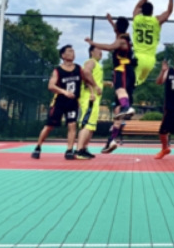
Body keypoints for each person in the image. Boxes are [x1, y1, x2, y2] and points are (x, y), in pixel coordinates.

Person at [31, 45, 96, 160]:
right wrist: (64, 92)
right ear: (63, 55)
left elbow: (87, 81)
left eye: (73, 51)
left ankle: (69, 150)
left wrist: (92, 92)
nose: (72, 53)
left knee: (72, 125)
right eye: (70, 51)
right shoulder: (58, 70)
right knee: (49, 126)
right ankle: (38, 147)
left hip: (72, 103)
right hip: (59, 102)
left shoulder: (78, 69)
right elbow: (51, 86)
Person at [85, 17, 136, 154]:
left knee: (120, 89)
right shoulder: (123, 38)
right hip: (128, 72)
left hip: (122, 70)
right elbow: (116, 31)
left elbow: (109, 47)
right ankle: (111, 140)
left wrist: (92, 43)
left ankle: (127, 106)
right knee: (118, 113)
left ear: (118, 28)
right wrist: (111, 21)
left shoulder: (121, 41)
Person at [132, 0, 174, 86]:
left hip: (138, 57)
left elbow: (138, 5)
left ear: (141, 11)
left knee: (129, 85)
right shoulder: (156, 21)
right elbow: (169, 11)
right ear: (152, 12)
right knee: (136, 84)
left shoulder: (137, 18)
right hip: (150, 60)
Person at [75, 45, 105, 160]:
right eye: (98, 50)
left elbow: (91, 77)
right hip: (89, 98)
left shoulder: (97, 65)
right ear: (91, 52)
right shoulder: (91, 62)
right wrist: (96, 86)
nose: (101, 52)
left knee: (91, 126)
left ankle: (84, 149)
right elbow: (86, 72)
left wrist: (105, 84)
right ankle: (79, 150)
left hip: (94, 99)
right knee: (87, 124)